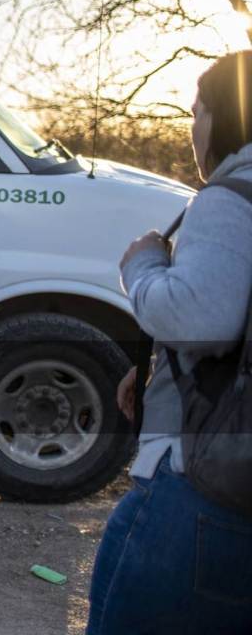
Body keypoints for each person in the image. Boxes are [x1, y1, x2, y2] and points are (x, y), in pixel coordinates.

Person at [87, 50, 252, 635]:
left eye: (195, 112)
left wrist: (145, 265)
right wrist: (164, 366)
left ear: (224, 116)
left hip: (199, 485)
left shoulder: (231, 195)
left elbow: (200, 318)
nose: (191, 131)